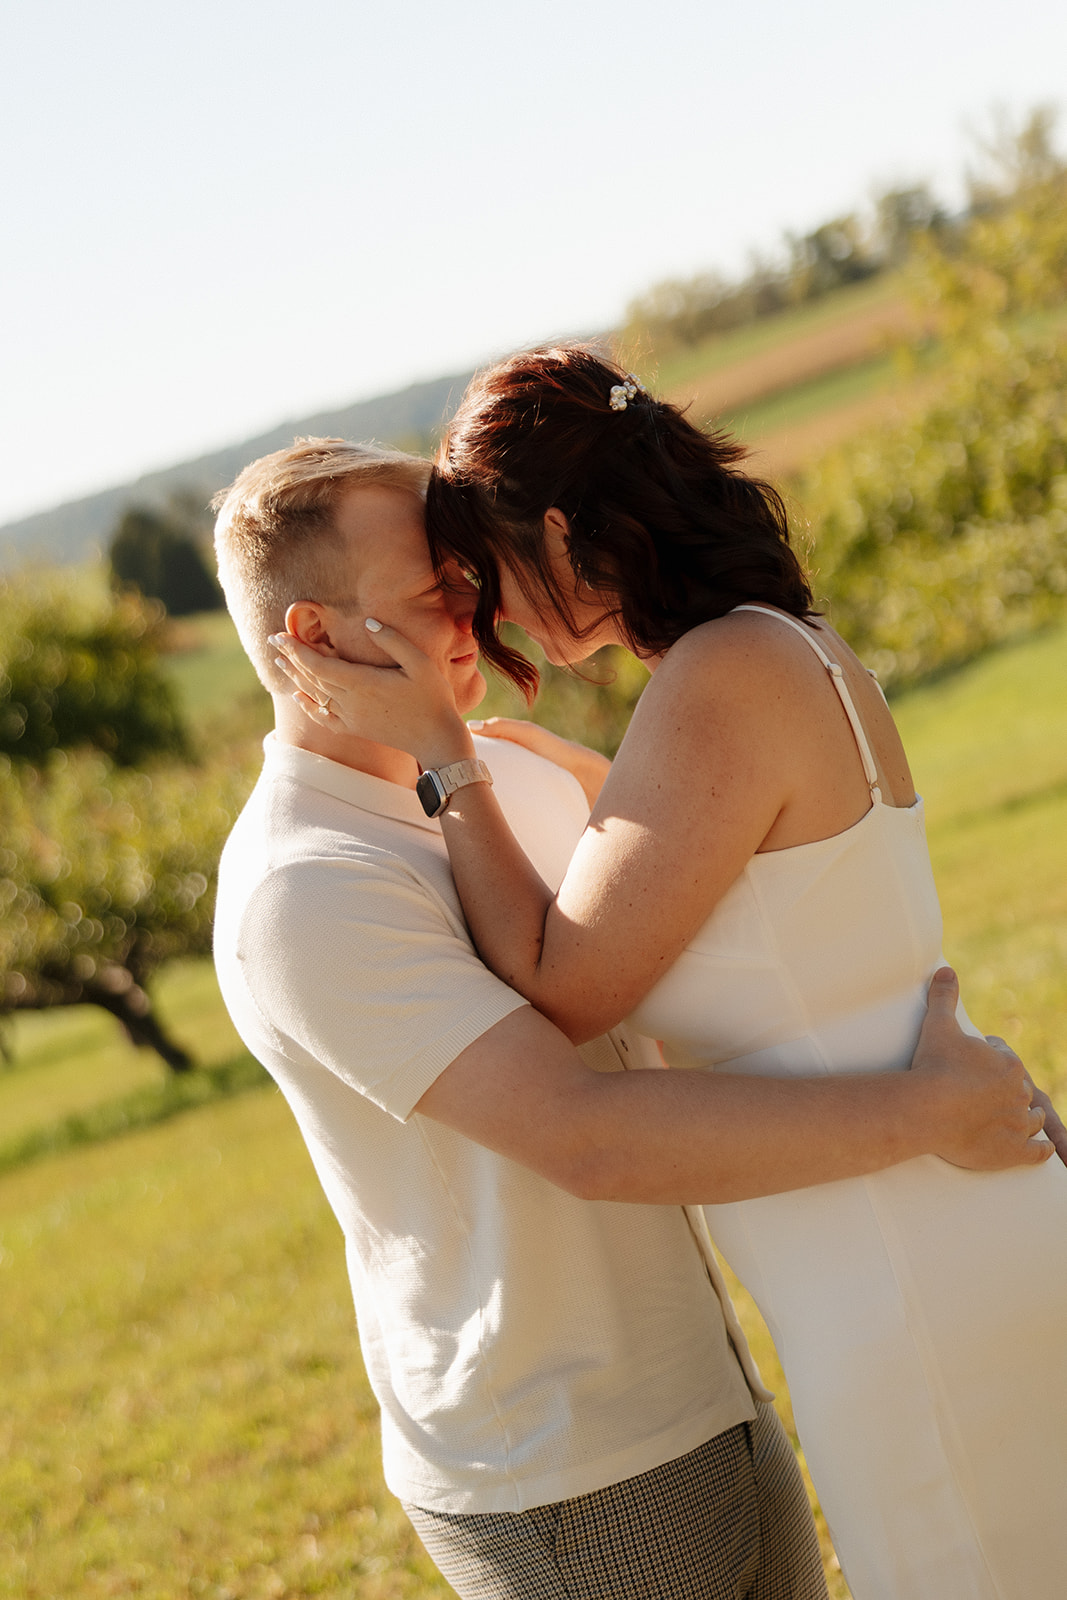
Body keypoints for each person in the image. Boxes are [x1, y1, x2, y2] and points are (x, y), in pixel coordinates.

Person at [269, 352, 1067, 1600]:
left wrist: (443, 754)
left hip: (903, 1273)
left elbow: (563, 979)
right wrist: (495, 748)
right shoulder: (765, 651)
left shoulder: (717, 682)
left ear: (554, 528)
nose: (484, 619)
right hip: (927, 1232)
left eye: (480, 576)